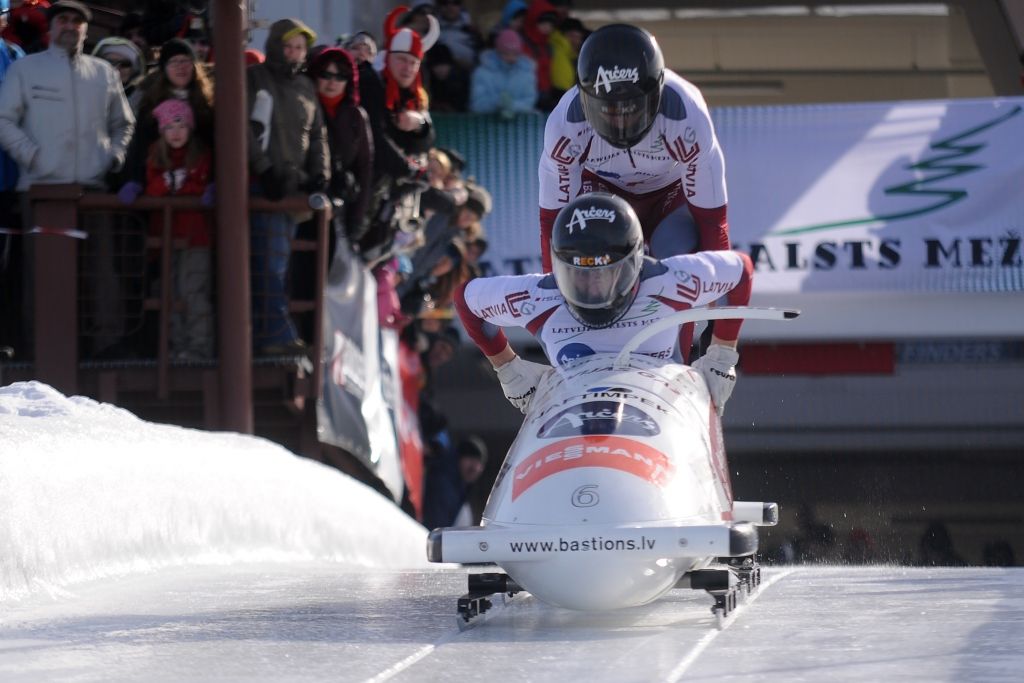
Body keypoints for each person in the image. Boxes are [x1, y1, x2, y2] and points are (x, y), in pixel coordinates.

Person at [455, 193, 751, 416]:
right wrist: (508, 368)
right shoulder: (539, 297)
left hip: (657, 409)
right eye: (579, 274)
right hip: (576, 418)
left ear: (634, 264)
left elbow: (741, 272)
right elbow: (465, 301)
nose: (593, 287)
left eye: (607, 274)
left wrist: (722, 355)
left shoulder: (669, 280)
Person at [537, 23, 730, 360]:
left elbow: (713, 224)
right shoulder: (564, 126)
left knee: (675, 261)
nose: (621, 124)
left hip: (670, 197)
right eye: (607, 111)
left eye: (633, 109)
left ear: (657, 94)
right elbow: (554, 230)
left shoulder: (687, 115)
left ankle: (678, 361)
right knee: (592, 261)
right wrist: (555, 311)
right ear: (585, 99)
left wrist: (719, 325)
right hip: (603, 195)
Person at [246, 17, 329, 355]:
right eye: (289, 46)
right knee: (268, 264)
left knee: (277, 266)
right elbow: (242, 129)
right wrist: (264, 169)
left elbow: (317, 135)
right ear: (275, 46)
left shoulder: (306, 86)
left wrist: (320, 174)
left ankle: (270, 335)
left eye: (300, 48)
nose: (294, 53)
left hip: (293, 190)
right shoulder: (255, 78)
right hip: (263, 186)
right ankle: (276, 337)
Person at [143, 98, 214, 360]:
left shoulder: (201, 156)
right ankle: (175, 347)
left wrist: (182, 186)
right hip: (165, 237)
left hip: (196, 236)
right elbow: (152, 188)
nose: (176, 132)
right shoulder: (155, 155)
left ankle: (199, 347)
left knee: (193, 290)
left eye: (181, 125)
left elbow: (200, 186)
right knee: (169, 292)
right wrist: (169, 182)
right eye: (170, 126)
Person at [306, 46, 372, 245]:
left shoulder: (356, 116)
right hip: (304, 201)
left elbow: (365, 167)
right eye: (326, 75)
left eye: (341, 76)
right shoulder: (305, 107)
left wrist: (357, 218)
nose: (332, 82)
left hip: (340, 209)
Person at [469, 28, 536, 117]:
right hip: (487, 122)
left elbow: (529, 102)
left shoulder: (527, 73)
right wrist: (498, 103)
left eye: (515, 54)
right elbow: (477, 104)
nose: (511, 58)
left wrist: (511, 106)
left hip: (519, 123)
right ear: (498, 52)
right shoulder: (482, 73)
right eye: (506, 53)